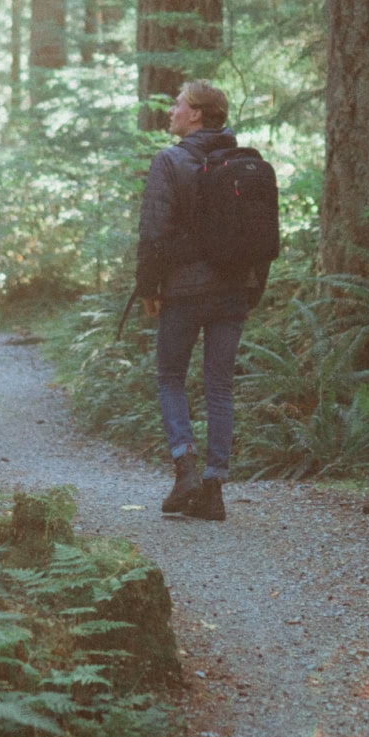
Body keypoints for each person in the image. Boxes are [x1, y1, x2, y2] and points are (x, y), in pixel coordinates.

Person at [135, 80, 269, 522]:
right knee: (220, 387)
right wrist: (253, 288)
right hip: (234, 289)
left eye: (178, 104)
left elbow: (153, 233)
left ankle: (185, 469)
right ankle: (214, 492)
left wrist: (149, 288)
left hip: (185, 291)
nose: (171, 110)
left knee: (171, 376)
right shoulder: (243, 162)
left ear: (195, 114)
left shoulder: (170, 161)